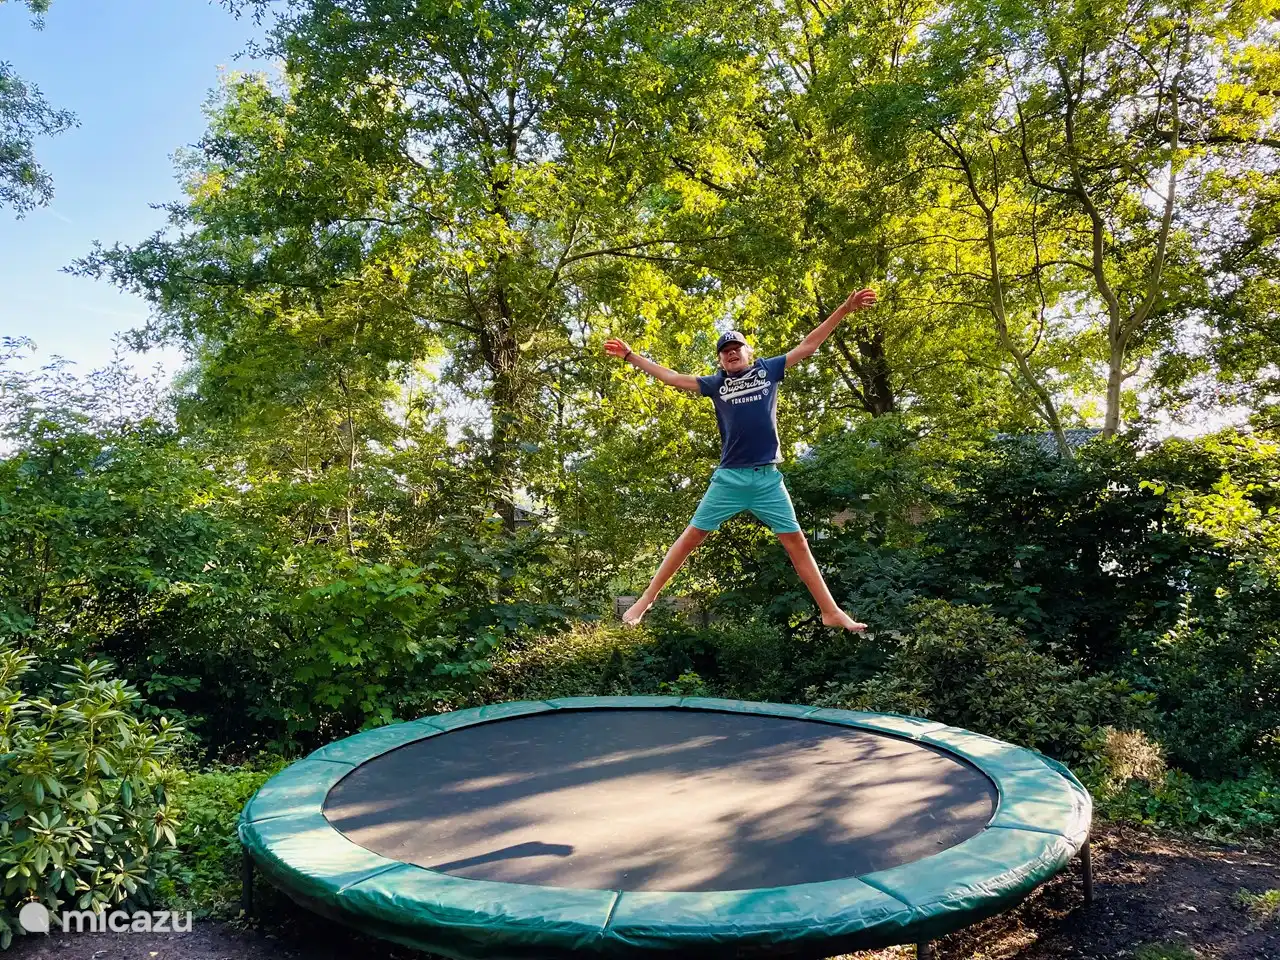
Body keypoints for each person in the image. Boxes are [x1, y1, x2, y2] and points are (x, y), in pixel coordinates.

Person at [604, 288, 877, 630]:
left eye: (736, 348)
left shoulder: (768, 370)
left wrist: (845, 308)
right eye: (725, 351)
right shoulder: (716, 384)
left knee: (797, 542)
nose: (731, 353)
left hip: (767, 480)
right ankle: (645, 600)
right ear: (720, 360)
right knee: (691, 537)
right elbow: (672, 377)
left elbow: (808, 345)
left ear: (749, 352)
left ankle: (830, 611)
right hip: (730, 478)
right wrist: (631, 356)